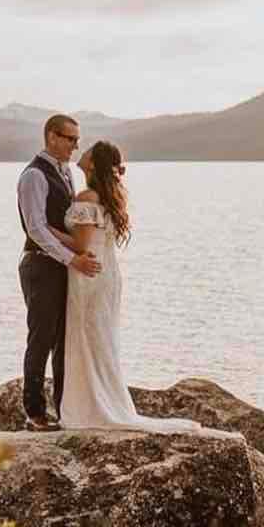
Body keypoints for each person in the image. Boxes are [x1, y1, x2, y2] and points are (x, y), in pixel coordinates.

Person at [51, 139, 232, 436]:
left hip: (88, 276)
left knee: (86, 339)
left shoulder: (87, 196)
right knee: (99, 340)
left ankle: (91, 407)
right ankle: (99, 402)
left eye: (87, 151)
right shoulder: (105, 197)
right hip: (105, 275)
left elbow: (81, 245)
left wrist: (47, 232)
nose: (80, 151)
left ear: (93, 163)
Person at [16, 114, 101, 432]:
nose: (75, 147)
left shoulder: (65, 172)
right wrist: (72, 259)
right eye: (70, 139)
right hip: (40, 265)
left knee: (64, 339)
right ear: (52, 137)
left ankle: (66, 408)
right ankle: (35, 412)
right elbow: (36, 229)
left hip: (62, 267)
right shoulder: (34, 176)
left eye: (78, 140)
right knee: (42, 337)